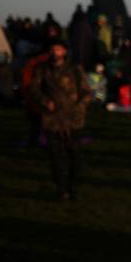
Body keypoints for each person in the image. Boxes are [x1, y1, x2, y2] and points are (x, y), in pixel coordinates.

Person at [33, 38, 92, 200]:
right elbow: (34, 89)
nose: (55, 52)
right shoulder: (42, 69)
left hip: (73, 119)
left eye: (58, 49)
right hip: (52, 119)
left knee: (75, 155)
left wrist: (79, 109)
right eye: (52, 49)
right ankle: (61, 188)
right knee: (55, 156)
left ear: (64, 51)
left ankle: (73, 187)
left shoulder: (75, 69)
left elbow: (87, 92)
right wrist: (45, 101)